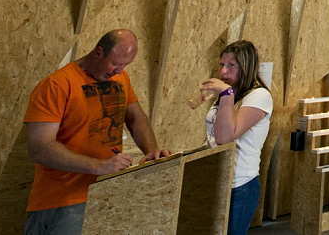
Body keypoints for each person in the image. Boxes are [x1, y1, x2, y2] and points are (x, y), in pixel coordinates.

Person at [23, 29, 173, 235]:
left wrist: (151, 150)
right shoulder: (57, 85)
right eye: (116, 63)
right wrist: (99, 166)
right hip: (63, 201)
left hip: (104, 197)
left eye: (125, 65)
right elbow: (40, 148)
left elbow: (136, 117)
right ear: (99, 52)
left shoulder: (120, 79)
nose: (119, 71)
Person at [199, 40, 274, 235]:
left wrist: (226, 94)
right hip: (217, 179)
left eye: (231, 65)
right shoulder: (231, 94)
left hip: (240, 185)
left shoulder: (259, 96)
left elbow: (225, 137)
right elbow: (213, 135)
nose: (223, 72)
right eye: (222, 65)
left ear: (246, 67)